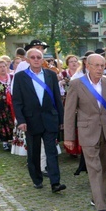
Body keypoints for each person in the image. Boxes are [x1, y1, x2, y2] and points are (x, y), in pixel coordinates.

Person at [63, 54, 106, 211]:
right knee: (94, 168)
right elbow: (69, 113)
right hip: (87, 132)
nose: (99, 69)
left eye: (102, 66)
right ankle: (101, 206)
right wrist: (68, 137)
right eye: (96, 65)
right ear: (87, 66)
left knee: (102, 168)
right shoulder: (76, 84)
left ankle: (95, 197)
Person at [13, 48, 66, 193]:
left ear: (42, 60)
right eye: (33, 57)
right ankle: (37, 179)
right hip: (31, 120)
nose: (36, 60)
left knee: (51, 151)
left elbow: (57, 98)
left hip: (49, 118)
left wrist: (61, 119)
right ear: (28, 60)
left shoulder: (50, 75)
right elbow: (17, 101)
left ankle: (55, 183)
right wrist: (21, 120)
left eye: (39, 57)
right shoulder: (19, 77)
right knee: (34, 152)